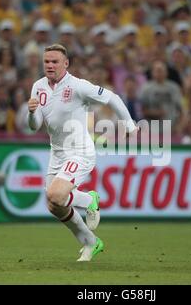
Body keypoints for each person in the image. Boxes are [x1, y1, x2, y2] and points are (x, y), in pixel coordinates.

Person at [27, 44, 138, 261]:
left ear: (65, 64)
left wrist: (130, 126)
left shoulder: (78, 86)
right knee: (54, 206)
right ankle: (90, 241)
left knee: (56, 195)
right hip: (57, 153)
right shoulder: (38, 87)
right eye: (47, 61)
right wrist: (31, 113)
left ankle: (87, 200)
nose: (50, 65)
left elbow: (112, 98)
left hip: (80, 151)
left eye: (55, 61)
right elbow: (34, 125)